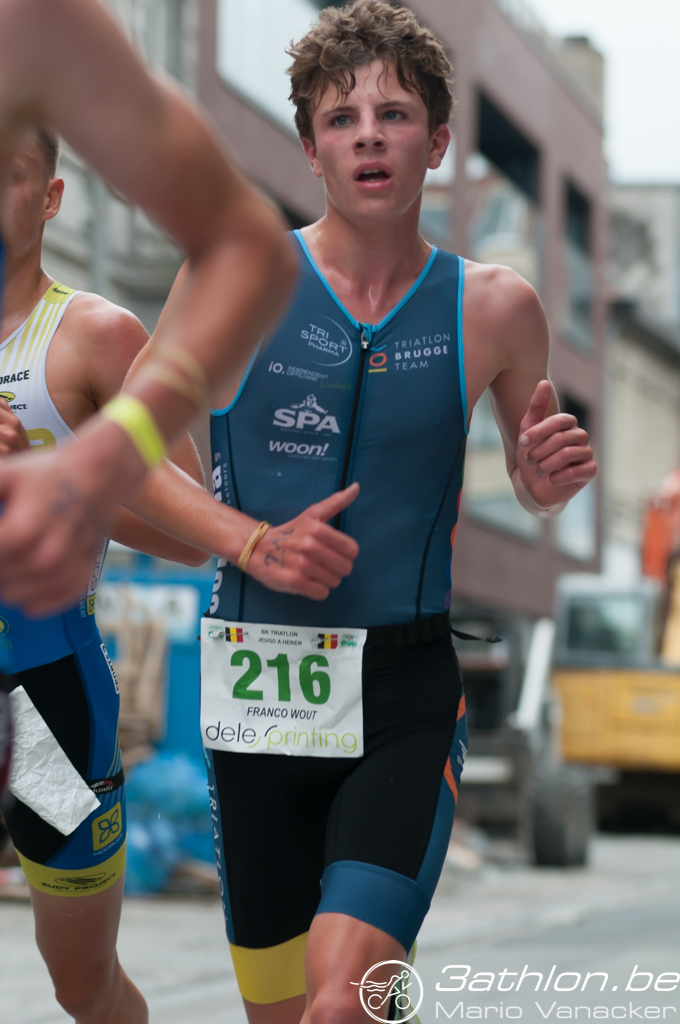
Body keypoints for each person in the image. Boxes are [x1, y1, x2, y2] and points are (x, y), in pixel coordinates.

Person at [157, 3, 596, 1022]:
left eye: (393, 115)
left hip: (404, 691)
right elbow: (123, 460)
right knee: (285, 1011)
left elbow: (528, 482)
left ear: (436, 144)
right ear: (310, 146)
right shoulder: (235, 280)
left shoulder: (496, 306)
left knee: (343, 1002)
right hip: (259, 694)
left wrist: (543, 478)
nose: (367, 136)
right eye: (340, 117)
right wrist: (249, 542)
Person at [0, 127, 359, 1024]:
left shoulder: (90, 336)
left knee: (83, 987)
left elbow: (188, 530)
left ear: (49, 198)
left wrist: (46, 481)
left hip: (39, 704)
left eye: (5, 176)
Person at [0, 0, 301, 616]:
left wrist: (81, 473)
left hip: (40, 662)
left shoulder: (32, 23)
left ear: (51, 197)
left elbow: (246, 245)